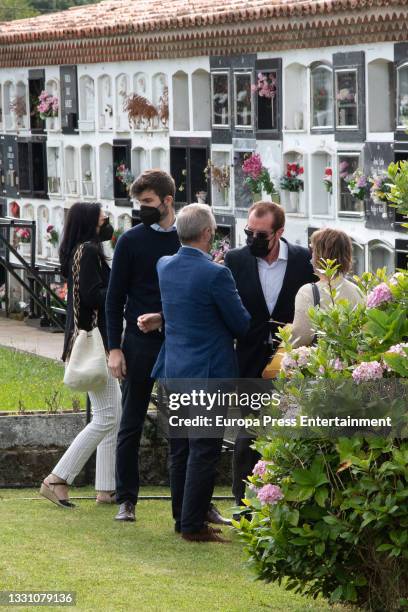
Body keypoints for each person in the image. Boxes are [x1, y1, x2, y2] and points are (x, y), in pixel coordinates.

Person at [150, 203, 250, 542]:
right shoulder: (217, 275)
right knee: (204, 449)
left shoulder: (164, 265)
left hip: (174, 368)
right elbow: (241, 323)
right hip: (208, 373)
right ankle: (193, 525)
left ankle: (181, 517)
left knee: (180, 448)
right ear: (207, 233)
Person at [224, 201, 316, 506]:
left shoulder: (304, 261)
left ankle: (282, 500)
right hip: (249, 360)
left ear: (279, 232)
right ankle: (243, 504)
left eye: (261, 234)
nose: (253, 239)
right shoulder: (235, 260)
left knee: (287, 429)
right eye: (249, 232)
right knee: (248, 433)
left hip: (289, 363)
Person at [106, 169, 180, 522]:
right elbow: (113, 298)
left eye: (148, 203)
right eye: (139, 204)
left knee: (186, 424)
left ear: (168, 201)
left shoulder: (188, 238)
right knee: (131, 422)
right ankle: (126, 499)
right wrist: (114, 348)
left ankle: (189, 501)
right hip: (137, 344)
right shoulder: (130, 241)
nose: (142, 209)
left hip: (179, 343)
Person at [40, 202, 121, 508]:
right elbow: (91, 295)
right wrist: (120, 291)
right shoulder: (87, 250)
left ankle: (106, 487)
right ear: (90, 222)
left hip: (93, 340)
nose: (108, 223)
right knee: (107, 416)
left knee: (113, 414)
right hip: (94, 343)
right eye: (104, 219)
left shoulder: (82, 249)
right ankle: (57, 478)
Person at [289, 228, 363, 347]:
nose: (311, 256)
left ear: (319, 255)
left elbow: (300, 339)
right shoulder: (357, 290)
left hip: (321, 362)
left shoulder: (307, 292)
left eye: (312, 250)